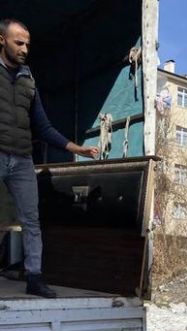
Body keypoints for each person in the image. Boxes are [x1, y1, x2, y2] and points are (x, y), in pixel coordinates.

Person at [0, 18, 98, 298]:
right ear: (2, 40)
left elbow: (42, 127)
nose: (24, 49)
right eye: (19, 43)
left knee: (31, 220)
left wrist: (76, 148)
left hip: (22, 159)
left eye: (27, 44)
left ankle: (34, 277)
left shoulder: (28, 80)